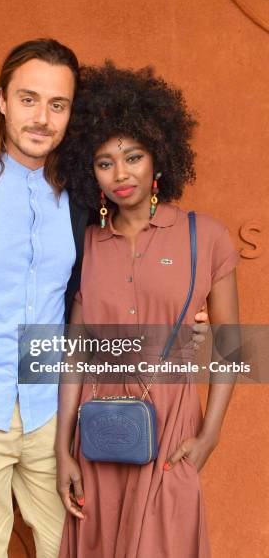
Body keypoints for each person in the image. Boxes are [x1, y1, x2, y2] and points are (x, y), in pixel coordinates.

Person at [0, 40, 208, 558]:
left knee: (73, 544)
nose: (42, 118)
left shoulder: (82, 193)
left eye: (57, 105)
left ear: (71, 113)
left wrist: (184, 307)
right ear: (2, 100)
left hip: (52, 409)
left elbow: (125, 261)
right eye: (28, 99)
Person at [55, 62, 240, 557]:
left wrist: (209, 436)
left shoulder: (208, 236)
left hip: (171, 432)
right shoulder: (85, 244)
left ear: (159, 159)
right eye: (104, 162)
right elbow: (76, 352)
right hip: (97, 434)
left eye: (133, 157)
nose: (120, 174)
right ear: (87, 171)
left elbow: (228, 346)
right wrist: (61, 448)